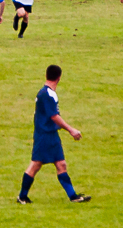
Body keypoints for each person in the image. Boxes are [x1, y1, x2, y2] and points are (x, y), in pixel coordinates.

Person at [17, 65, 91, 204]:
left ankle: (73, 196)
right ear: (59, 78)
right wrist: (71, 130)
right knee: (35, 165)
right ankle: (22, 196)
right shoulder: (47, 94)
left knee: (61, 164)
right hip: (44, 135)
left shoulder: (45, 93)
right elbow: (54, 116)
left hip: (51, 135)